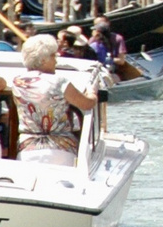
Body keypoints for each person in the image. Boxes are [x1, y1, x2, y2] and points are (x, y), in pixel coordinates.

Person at [10, 34, 98, 166]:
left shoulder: (17, 82)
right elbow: (87, 104)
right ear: (43, 60)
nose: (56, 60)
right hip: (61, 149)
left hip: (27, 149)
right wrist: (92, 92)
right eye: (53, 56)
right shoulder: (59, 82)